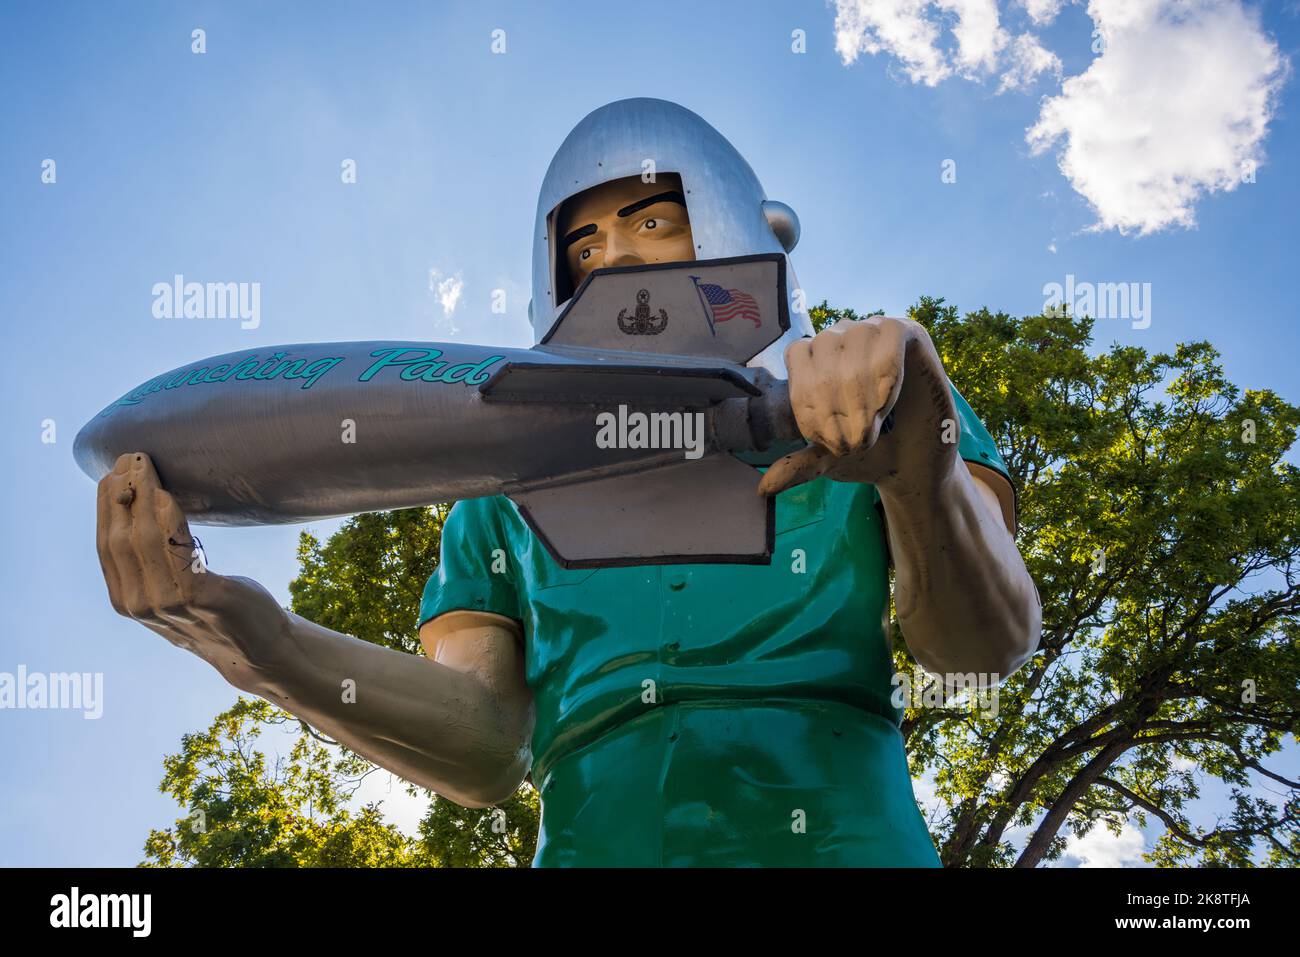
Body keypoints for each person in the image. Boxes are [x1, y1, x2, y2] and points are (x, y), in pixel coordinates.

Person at [95, 98, 1040, 866]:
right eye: (584, 249)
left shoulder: (896, 400)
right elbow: (485, 743)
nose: (617, 265)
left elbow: (974, 653)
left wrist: (921, 478)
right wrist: (263, 647)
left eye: (654, 223)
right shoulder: (498, 491)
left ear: (748, 230)